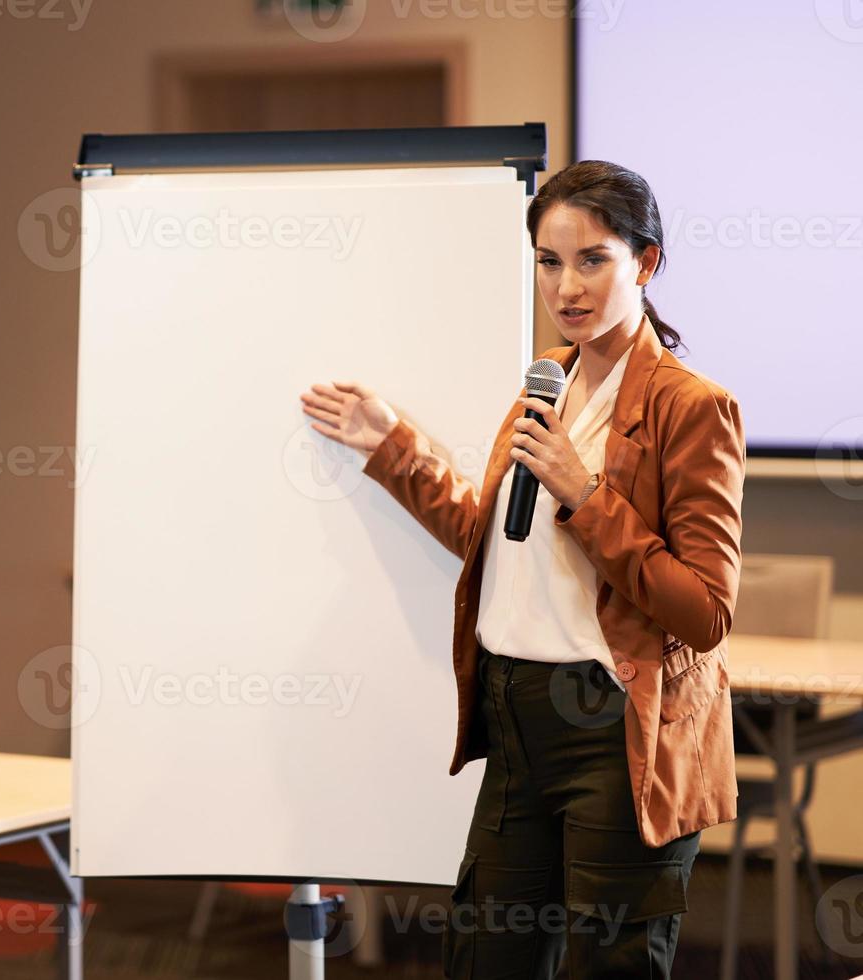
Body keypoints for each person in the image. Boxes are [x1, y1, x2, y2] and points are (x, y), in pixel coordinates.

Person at [299, 160, 744, 978]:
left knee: (611, 964)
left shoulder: (692, 406)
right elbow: (488, 535)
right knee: (484, 958)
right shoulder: (548, 382)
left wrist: (585, 494)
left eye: (591, 259)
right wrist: (391, 442)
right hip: (514, 714)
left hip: (616, 729)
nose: (565, 285)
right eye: (548, 260)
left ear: (644, 264)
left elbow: (706, 609)